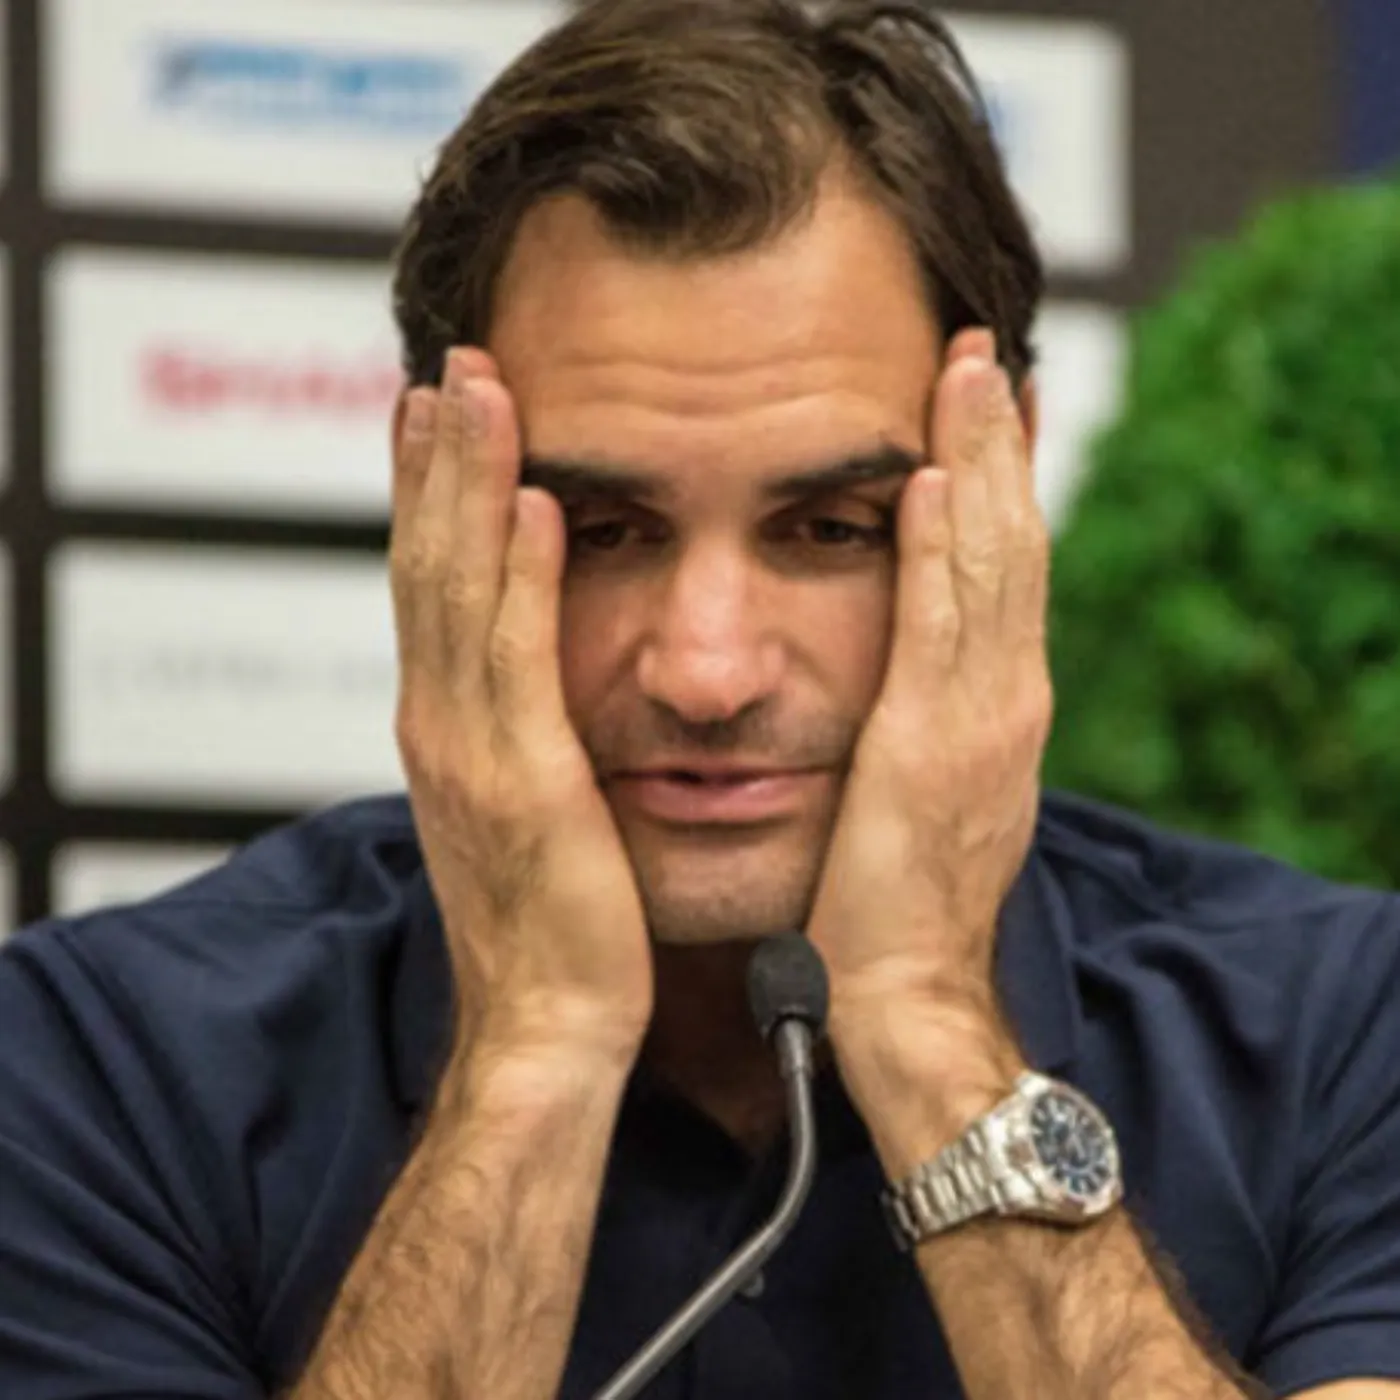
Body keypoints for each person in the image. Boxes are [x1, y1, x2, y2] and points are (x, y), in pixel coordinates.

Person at [2, 0, 1399, 1396]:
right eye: (604, 531)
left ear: (1004, 483)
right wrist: (535, 1048)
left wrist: (929, 1026)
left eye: (831, 529)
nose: (708, 671)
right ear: (435, 506)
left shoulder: (1345, 1032)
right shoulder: (98, 1068)